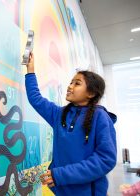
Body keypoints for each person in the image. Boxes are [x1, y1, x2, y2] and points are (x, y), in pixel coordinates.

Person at [25, 53, 117, 195]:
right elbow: (36, 99)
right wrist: (30, 71)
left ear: (91, 93)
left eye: (77, 83)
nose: (70, 86)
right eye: (71, 82)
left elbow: (105, 159)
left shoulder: (101, 117)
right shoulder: (59, 114)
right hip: (61, 190)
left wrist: (61, 175)